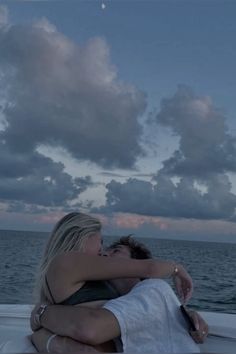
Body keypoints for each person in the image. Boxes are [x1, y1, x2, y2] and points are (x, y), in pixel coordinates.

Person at [31, 233, 208, 353]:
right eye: (103, 250)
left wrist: (41, 312)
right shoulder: (116, 309)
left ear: (137, 266)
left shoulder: (154, 289)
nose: (103, 255)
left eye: (115, 251)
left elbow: (89, 329)